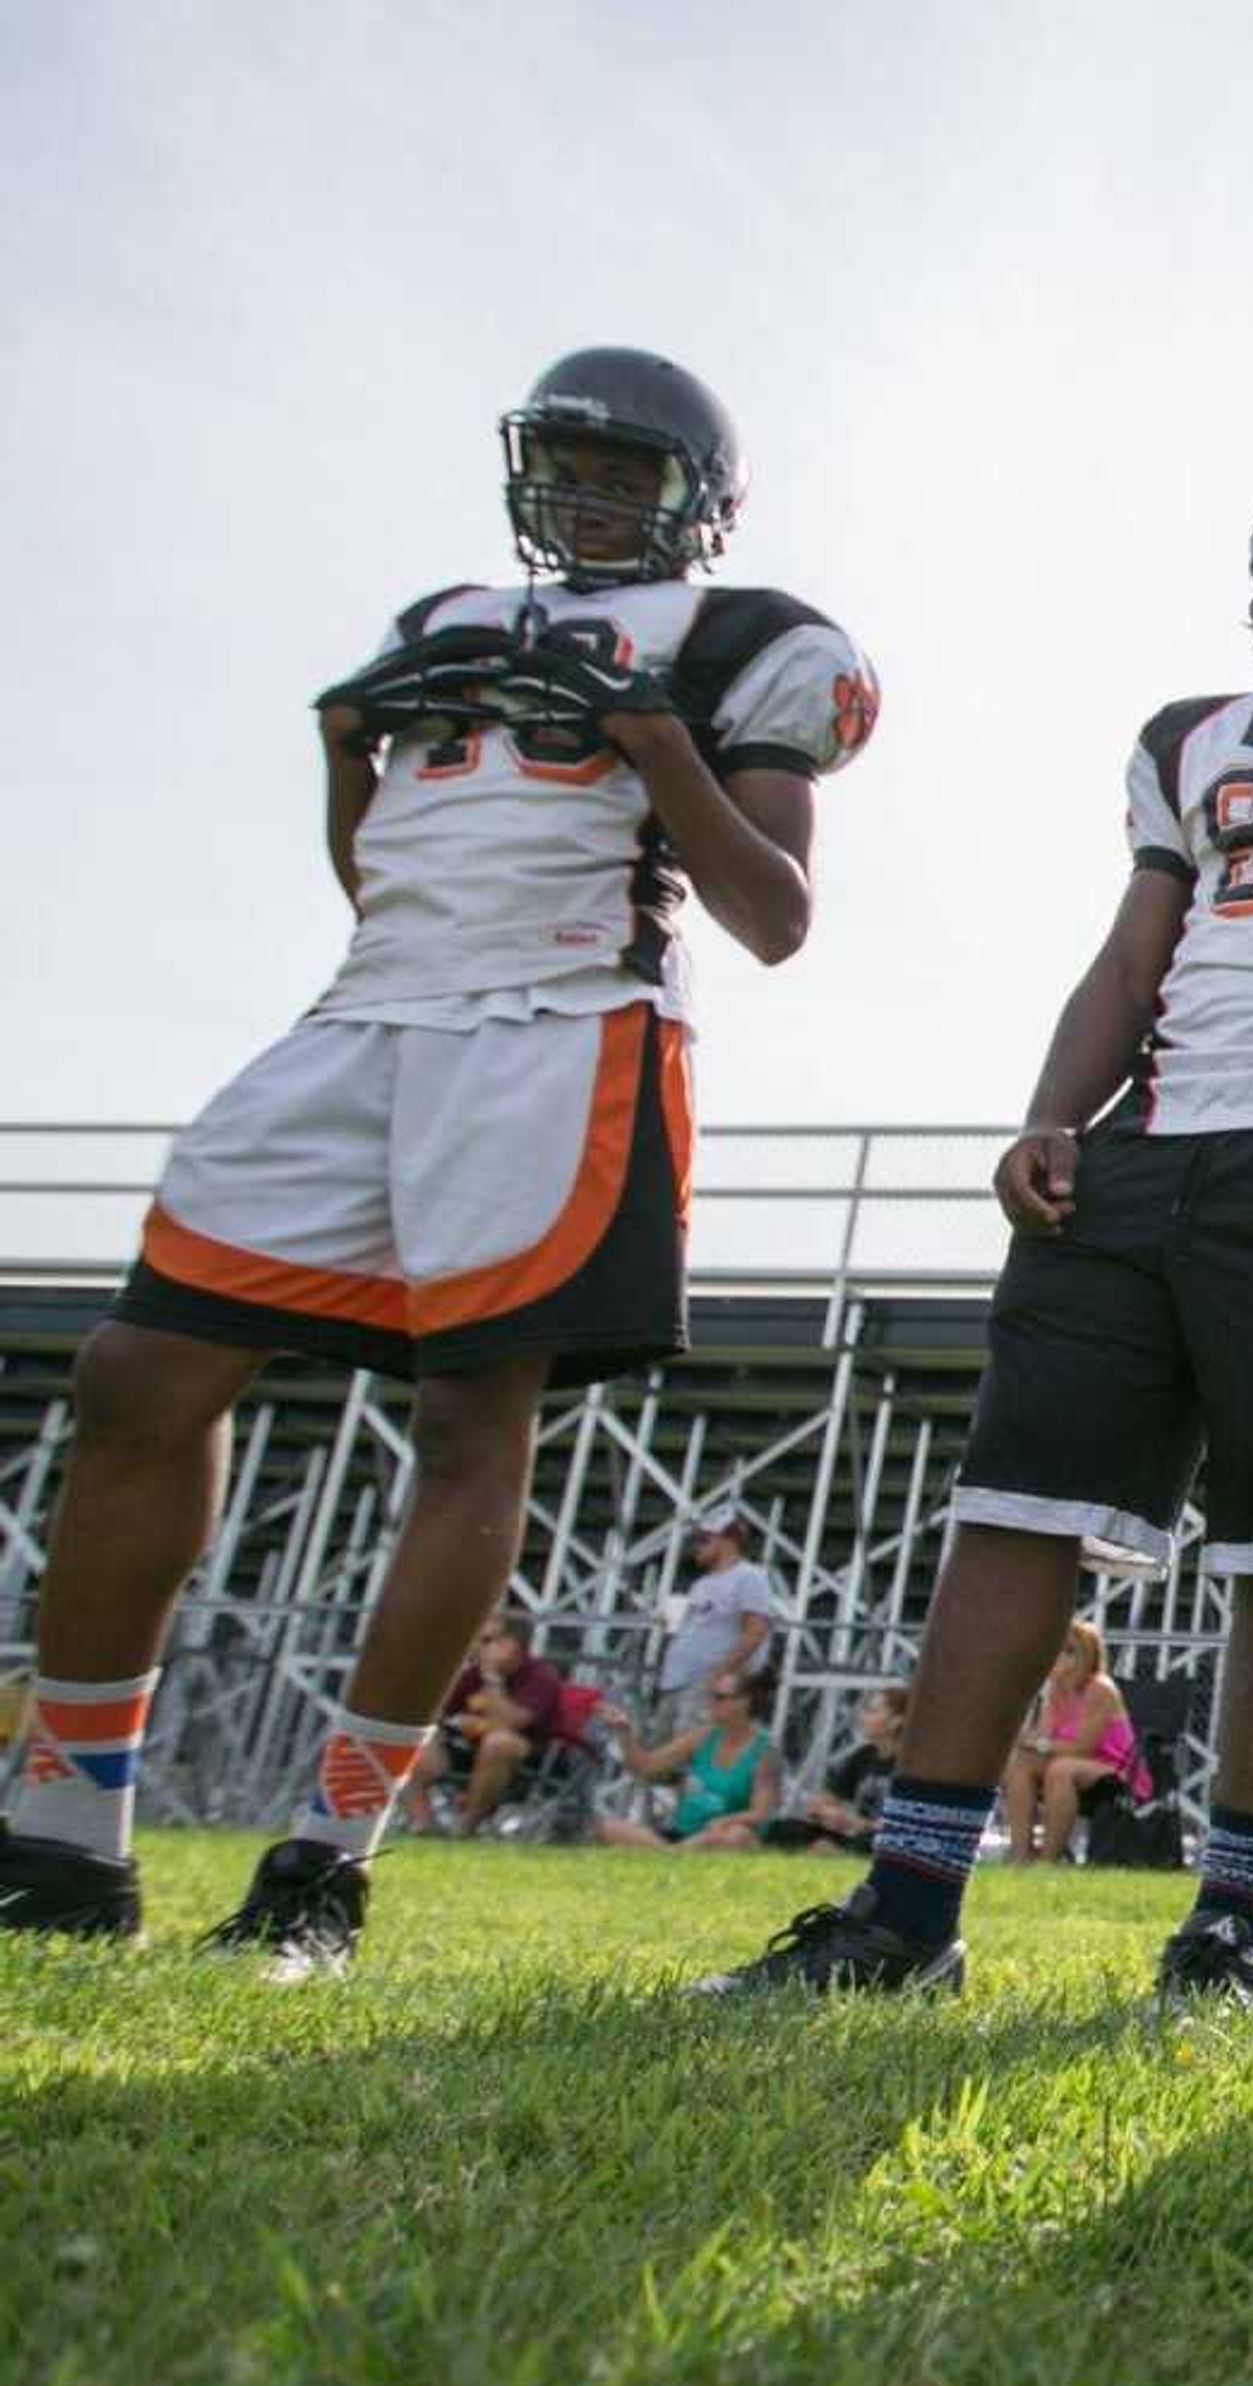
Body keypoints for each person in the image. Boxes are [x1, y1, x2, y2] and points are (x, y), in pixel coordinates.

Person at [0, 347, 868, 1968]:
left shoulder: (747, 636)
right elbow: (379, 863)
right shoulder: (438, 617)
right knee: (142, 1368)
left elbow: (776, 914)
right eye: (569, 461)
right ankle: (63, 1833)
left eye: (627, 470)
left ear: (696, 497)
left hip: (565, 1016)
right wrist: (346, 754)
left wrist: (651, 741)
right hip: (375, 1008)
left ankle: (328, 1855)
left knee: (469, 1416)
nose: (590, 491)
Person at [693, 458, 1253, 2005]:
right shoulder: (1188, 733)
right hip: (1150, 1142)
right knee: (1010, 1508)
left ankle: (1227, 1923)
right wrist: (1049, 1113)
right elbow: (1134, 952)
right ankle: (908, 1906)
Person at [401, 1612, 581, 1836]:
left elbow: (511, 1723)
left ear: (511, 1645)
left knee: (498, 1743)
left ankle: (466, 1827)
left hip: (527, 1758)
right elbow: (435, 1712)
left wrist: (492, 1678)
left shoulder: (540, 1676)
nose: (476, 1646)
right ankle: (423, 1824)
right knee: (409, 1737)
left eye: (485, 1640)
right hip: (471, 1750)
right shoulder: (472, 1675)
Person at [1006, 1621, 1149, 1863]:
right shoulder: (1056, 1690)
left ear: (1084, 1656)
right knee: (1020, 1763)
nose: (1056, 1657)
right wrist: (1027, 1742)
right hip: (1068, 1759)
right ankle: (1021, 1856)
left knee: (1060, 1770)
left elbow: (1083, 1748)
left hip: (1116, 1768)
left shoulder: (1100, 1689)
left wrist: (1037, 1743)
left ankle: (1048, 1861)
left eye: (1067, 1651)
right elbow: (1045, 1735)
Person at [596, 1671, 780, 1848]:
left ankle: (669, 1853)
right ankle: (673, 1854)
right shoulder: (704, 1736)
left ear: (744, 1703)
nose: (711, 1703)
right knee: (607, 1827)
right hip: (686, 1834)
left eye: (719, 1697)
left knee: (737, 1836)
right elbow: (645, 1767)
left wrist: (725, 1821)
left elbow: (760, 1813)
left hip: (721, 1835)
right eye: (711, 1696)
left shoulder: (764, 1752)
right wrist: (623, 1732)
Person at [652, 1517, 779, 1735]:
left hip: (704, 1685)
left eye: (703, 1540)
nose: (696, 1547)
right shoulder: (701, 1584)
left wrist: (719, 1675)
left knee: (688, 1752)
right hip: (676, 1683)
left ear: (727, 1540)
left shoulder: (749, 1577)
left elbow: (755, 1631)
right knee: (661, 1755)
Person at [765, 1684, 903, 1853]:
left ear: (896, 1721)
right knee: (783, 1829)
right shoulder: (863, 1756)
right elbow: (823, 1801)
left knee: (863, 1842)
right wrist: (828, 1813)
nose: (861, 1717)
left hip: (881, 1839)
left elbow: (905, 1827)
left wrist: (858, 1823)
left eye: (871, 1711)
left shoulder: (910, 1765)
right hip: (854, 1833)